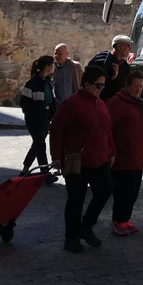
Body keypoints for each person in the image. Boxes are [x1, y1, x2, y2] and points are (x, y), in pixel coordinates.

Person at [50, 65, 116, 253]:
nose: (101, 89)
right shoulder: (71, 104)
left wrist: (111, 151)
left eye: (103, 86)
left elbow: (106, 130)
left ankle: (86, 226)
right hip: (76, 160)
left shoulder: (101, 103)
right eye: (98, 85)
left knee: (105, 191)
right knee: (75, 200)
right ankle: (71, 237)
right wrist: (56, 156)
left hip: (100, 159)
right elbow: (56, 130)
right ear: (86, 84)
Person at [107, 70, 143, 236]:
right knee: (123, 192)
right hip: (123, 158)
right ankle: (118, 220)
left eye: (141, 86)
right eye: (135, 86)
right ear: (127, 86)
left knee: (132, 192)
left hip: (137, 157)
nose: (138, 89)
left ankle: (125, 219)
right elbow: (107, 130)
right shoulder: (116, 103)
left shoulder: (140, 104)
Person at [19, 55, 59, 184]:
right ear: (47, 67)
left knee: (36, 145)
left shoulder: (48, 83)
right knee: (41, 145)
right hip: (34, 121)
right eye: (52, 64)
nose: (54, 67)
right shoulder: (31, 84)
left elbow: (51, 102)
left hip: (45, 120)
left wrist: (54, 115)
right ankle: (45, 174)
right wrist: (34, 116)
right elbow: (24, 104)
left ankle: (25, 170)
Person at [88, 35, 132, 102]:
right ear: (119, 47)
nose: (130, 49)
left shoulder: (125, 66)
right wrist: (112, 77)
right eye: (128, 46)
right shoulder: (102, 59)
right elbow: (94, 83)